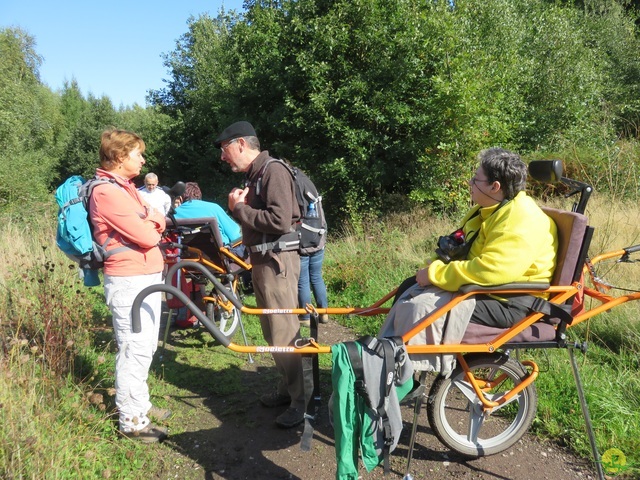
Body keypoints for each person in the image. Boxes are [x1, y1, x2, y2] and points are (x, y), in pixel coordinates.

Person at [379, 147, 558, 374]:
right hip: (485, 291)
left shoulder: (522, 219)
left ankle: (407, 372)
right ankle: (390, 361)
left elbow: (492, 270)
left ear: (495, 187)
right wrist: (431, 268)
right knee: (409, 286)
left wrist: (435, 275)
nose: (470, 184)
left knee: (421, 307)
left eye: (476, 180)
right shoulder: (486, 210)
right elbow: (457, 244)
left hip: (509, 301)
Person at [216, 120, 305, 429]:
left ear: (241, 144)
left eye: (225, 149)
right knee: (272, 331)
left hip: (277, 261)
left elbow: (280, 221)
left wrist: (239, 210)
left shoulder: (273, 171)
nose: (223, 157)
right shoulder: (257, 174)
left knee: (283, 331)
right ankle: (287, 388)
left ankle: (301, 402)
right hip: (264, 261)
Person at [89, 129, 169, 442]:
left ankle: (141, 406)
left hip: (144, 277)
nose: (143, 159)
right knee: (133, 349)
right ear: (120, 157)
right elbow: (150, 234)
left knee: (145, 347)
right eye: (137, 154)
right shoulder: (106, 192)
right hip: (128, 281)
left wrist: (153, 217)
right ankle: (132, 421)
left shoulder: (126, 188)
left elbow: (157, 218)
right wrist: (153, 220)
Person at [174, 182, 242, 245]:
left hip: (185, 256)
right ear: (199, 196)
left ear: (180, 198)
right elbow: (235, 235)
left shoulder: (172, 214)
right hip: (219, 255)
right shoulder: (214, 208)